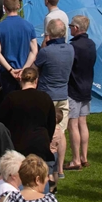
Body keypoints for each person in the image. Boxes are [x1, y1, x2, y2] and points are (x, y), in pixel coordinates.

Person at [0, 67, 56, 170]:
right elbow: (52, 123)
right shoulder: (45, 97)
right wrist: (47, 140)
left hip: (18, 143)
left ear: (20, 80)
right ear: (36, 80)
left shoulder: (12, 98)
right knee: (40, 176)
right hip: (40, 143)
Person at [34, 19, 74, 174]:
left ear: (49, 34)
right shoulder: (70, 49)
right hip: (63, 94)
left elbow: (35, 68)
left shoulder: (46, 52)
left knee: (45, 131)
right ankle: (59, 169)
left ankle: (45, 163)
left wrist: (44, 46)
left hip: (47, 95)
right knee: (61, 131)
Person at [66, 15, 97, 171]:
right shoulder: (91, 44)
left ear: (76, 28)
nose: (69, 28)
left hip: (73, 88)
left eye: (71, 25)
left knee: (73, 124)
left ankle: (75, 159)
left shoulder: (73, 47)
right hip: (87, 86)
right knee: (83, 123)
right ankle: (84, 157)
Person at [0, 0, 38, 99]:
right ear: (18, 6)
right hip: (25, 72)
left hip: (7, 72)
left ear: (4, 7)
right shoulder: (29, 26)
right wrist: (24, 69)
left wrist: (10, 70)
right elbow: (34, 51)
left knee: (10, 102)